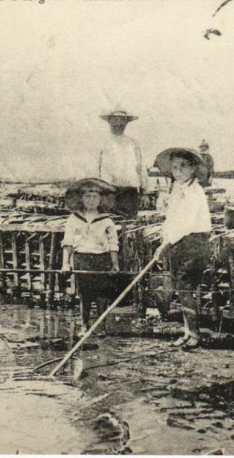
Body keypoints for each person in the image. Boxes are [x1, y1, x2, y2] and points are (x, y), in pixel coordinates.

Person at [153, 148, 212, 350]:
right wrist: (165, 239)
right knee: (181, 287)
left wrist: (165, 245)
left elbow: (186, 224)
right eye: (175, 168)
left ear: (193, 169)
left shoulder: (194, 191)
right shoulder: (177, 189)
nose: (178, 171)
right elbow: (172, 220)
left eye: (183, 167)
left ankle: (194, 333)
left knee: (187, 288)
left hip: (194, 241)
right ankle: (187, 332)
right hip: (179, 241)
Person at [61, 178, 120, 337]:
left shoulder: (106, 220)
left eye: (95, 196)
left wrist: (114, 263)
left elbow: (113, 243)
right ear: (81, 198)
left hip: (101, 259)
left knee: (102, 295)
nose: (91, 200)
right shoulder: (74, 219)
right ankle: (85, 326)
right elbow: (68, 242)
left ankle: (101, 326)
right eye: (87, 196)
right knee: (84, 295)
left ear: (101, 199)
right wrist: (66, 263)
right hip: (82, 259)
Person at [96, 110, 149, 218]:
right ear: (109, 121)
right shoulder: (102, 142)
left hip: (130, 194)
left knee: (128, 227)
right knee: (107, 226)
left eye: (122, 120)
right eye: (115, 120)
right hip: (107, 192)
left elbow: (140, 168)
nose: (118, 124)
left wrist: (145, 193)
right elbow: (95, 168)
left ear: (126, 122)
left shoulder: (133, 143)